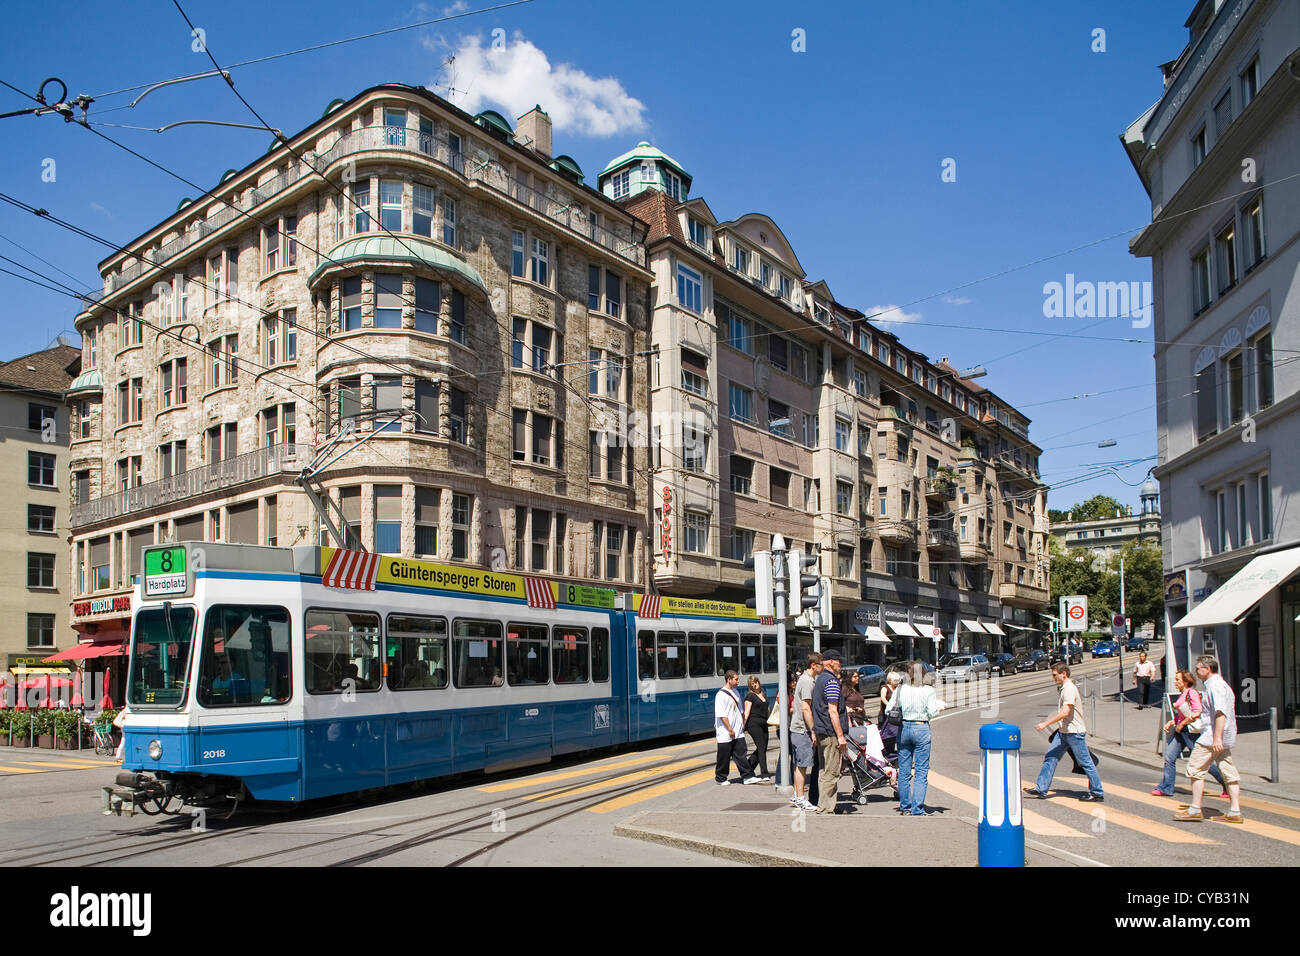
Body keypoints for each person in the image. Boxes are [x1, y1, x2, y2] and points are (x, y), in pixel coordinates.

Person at [1173, 656, 1243, 824]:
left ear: (1207, 669)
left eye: (1198, 669)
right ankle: (1235, 811)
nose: (1196, 672)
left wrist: (1216, 738)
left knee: (1195, 769)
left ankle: (1195, 809)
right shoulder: (1222, 684)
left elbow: (1220, 713)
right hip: (1224, 735)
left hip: (1212, 737)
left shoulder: (1215, 686)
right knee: (1228, 772)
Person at [1026, 663, 1104, 802]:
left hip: (1074, 733)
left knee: (1085, 762)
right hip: (1064, 732)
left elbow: (1065, 712)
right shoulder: (1065, 688)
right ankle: (1041, 788)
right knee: (1050, 758)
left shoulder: (1069, 689)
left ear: (1064, 674)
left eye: (1055, 675)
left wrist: (1046, 723)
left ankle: (1097, 792)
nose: (1053, 678)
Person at [1152, 668, 1226, 797]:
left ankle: (1226, 783)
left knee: (1203, 760)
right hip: (1180, 731)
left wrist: (1182, 723)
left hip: (1190, 731)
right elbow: (1181, 714)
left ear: (1185, 681)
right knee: (1169, 757)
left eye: (1178, 680)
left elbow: (1197, 712)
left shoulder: (1191, 693)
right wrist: (1173, 722)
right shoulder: (1183, 693)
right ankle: (1166, 788)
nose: (1175, 682)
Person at [887, 661, 945, 815]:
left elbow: (888, 709)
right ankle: (917, 809)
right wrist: (939, 708)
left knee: (904, 772)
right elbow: (932, 712)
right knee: (921, 772)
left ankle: (905, 807)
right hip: (921, 728)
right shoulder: (928, 690)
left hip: (904, 729)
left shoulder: (900, 689)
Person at [811, 650, 848, 814]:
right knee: (832, 772)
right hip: (830, 732)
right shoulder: (831, 681)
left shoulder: (819, 680)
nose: (841, 665)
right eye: (839, 662)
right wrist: (840, 737)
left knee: (823, 771)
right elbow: (833, 711)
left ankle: (824, 804)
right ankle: (826, 807)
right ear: (832, 662)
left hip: (820, 730)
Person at [787, 654, 821, 811]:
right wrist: (813, 730)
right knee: (802, 765)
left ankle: (796, 795)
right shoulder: (808, 681)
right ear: (813, 665)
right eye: (821, 664)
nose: (823, 668)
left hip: (798, 729)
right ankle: (800, 798)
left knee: (799, 765)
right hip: (802, 730)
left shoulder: (806, 679)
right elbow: (806, 707)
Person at [714, 670, 759, 786]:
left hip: (738, 730)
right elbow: (722, 715)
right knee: (724, 756)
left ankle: (747, 776)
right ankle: (720, 778)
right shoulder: (721, 695)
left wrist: (742, 723)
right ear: (729, 679)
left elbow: (740, 710)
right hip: (726, 732)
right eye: (736, 679)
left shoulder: (736, 692)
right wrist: (729, 729)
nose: (738, 681)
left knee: (740, 754)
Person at [742, 676, 772, 781]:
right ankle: (764, 773)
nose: (754, 685)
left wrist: (771, 719)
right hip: (753, 724)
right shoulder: (750, 696)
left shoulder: (763, 694)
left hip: (764, 723)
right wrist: (743, 725)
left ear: (758, 682)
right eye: (752, 684)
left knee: (762, 748)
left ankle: (748, 768)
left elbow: (767, 709)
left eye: (755, 682)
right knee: (761, 747)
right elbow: (746, 712)